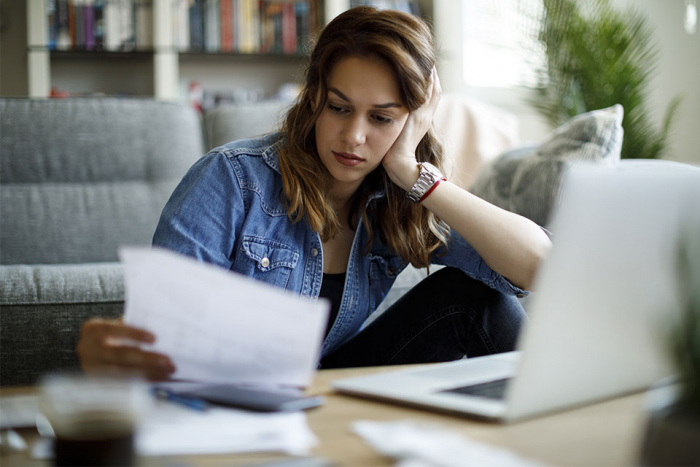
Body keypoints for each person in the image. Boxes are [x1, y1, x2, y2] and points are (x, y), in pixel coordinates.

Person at [77, 7, 552, 381]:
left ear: (415, 120)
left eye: (382, 118)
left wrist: (413, 173)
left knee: (473, 299)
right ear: (314, 98)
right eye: (339, 107)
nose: (353, 136)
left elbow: (537, 265)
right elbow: (160, 333)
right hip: (236, 395)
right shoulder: (230, 179)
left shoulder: (398, 197)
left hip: (330, 386)